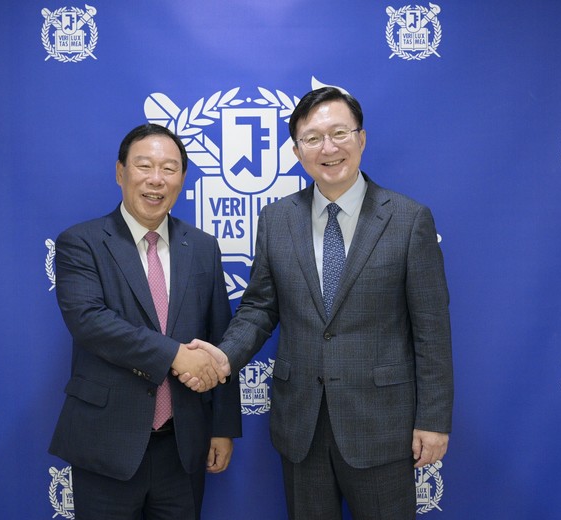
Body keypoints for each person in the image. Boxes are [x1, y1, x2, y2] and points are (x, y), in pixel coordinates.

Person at [184, 87, 453, 519]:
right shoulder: (277, 219)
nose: (328, 148)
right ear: (297, 151)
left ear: (361, 139)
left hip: (382, 426)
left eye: (339, 133)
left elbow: (431, 330)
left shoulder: (408, 220)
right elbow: (259, 308)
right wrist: (222, 357)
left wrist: (434, 420)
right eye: (312, 138)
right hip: (301, 426)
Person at [49, 123, 242, 520]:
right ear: (121, 172)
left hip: (183, 447)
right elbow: (90, 322)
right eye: (144, 166)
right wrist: (175, 355)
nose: (157, 179)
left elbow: (219, 336)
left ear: (182, 180)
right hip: (107, 444)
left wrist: (222, 427)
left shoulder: (202, 247)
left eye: (169, 169)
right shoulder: (81, 242)